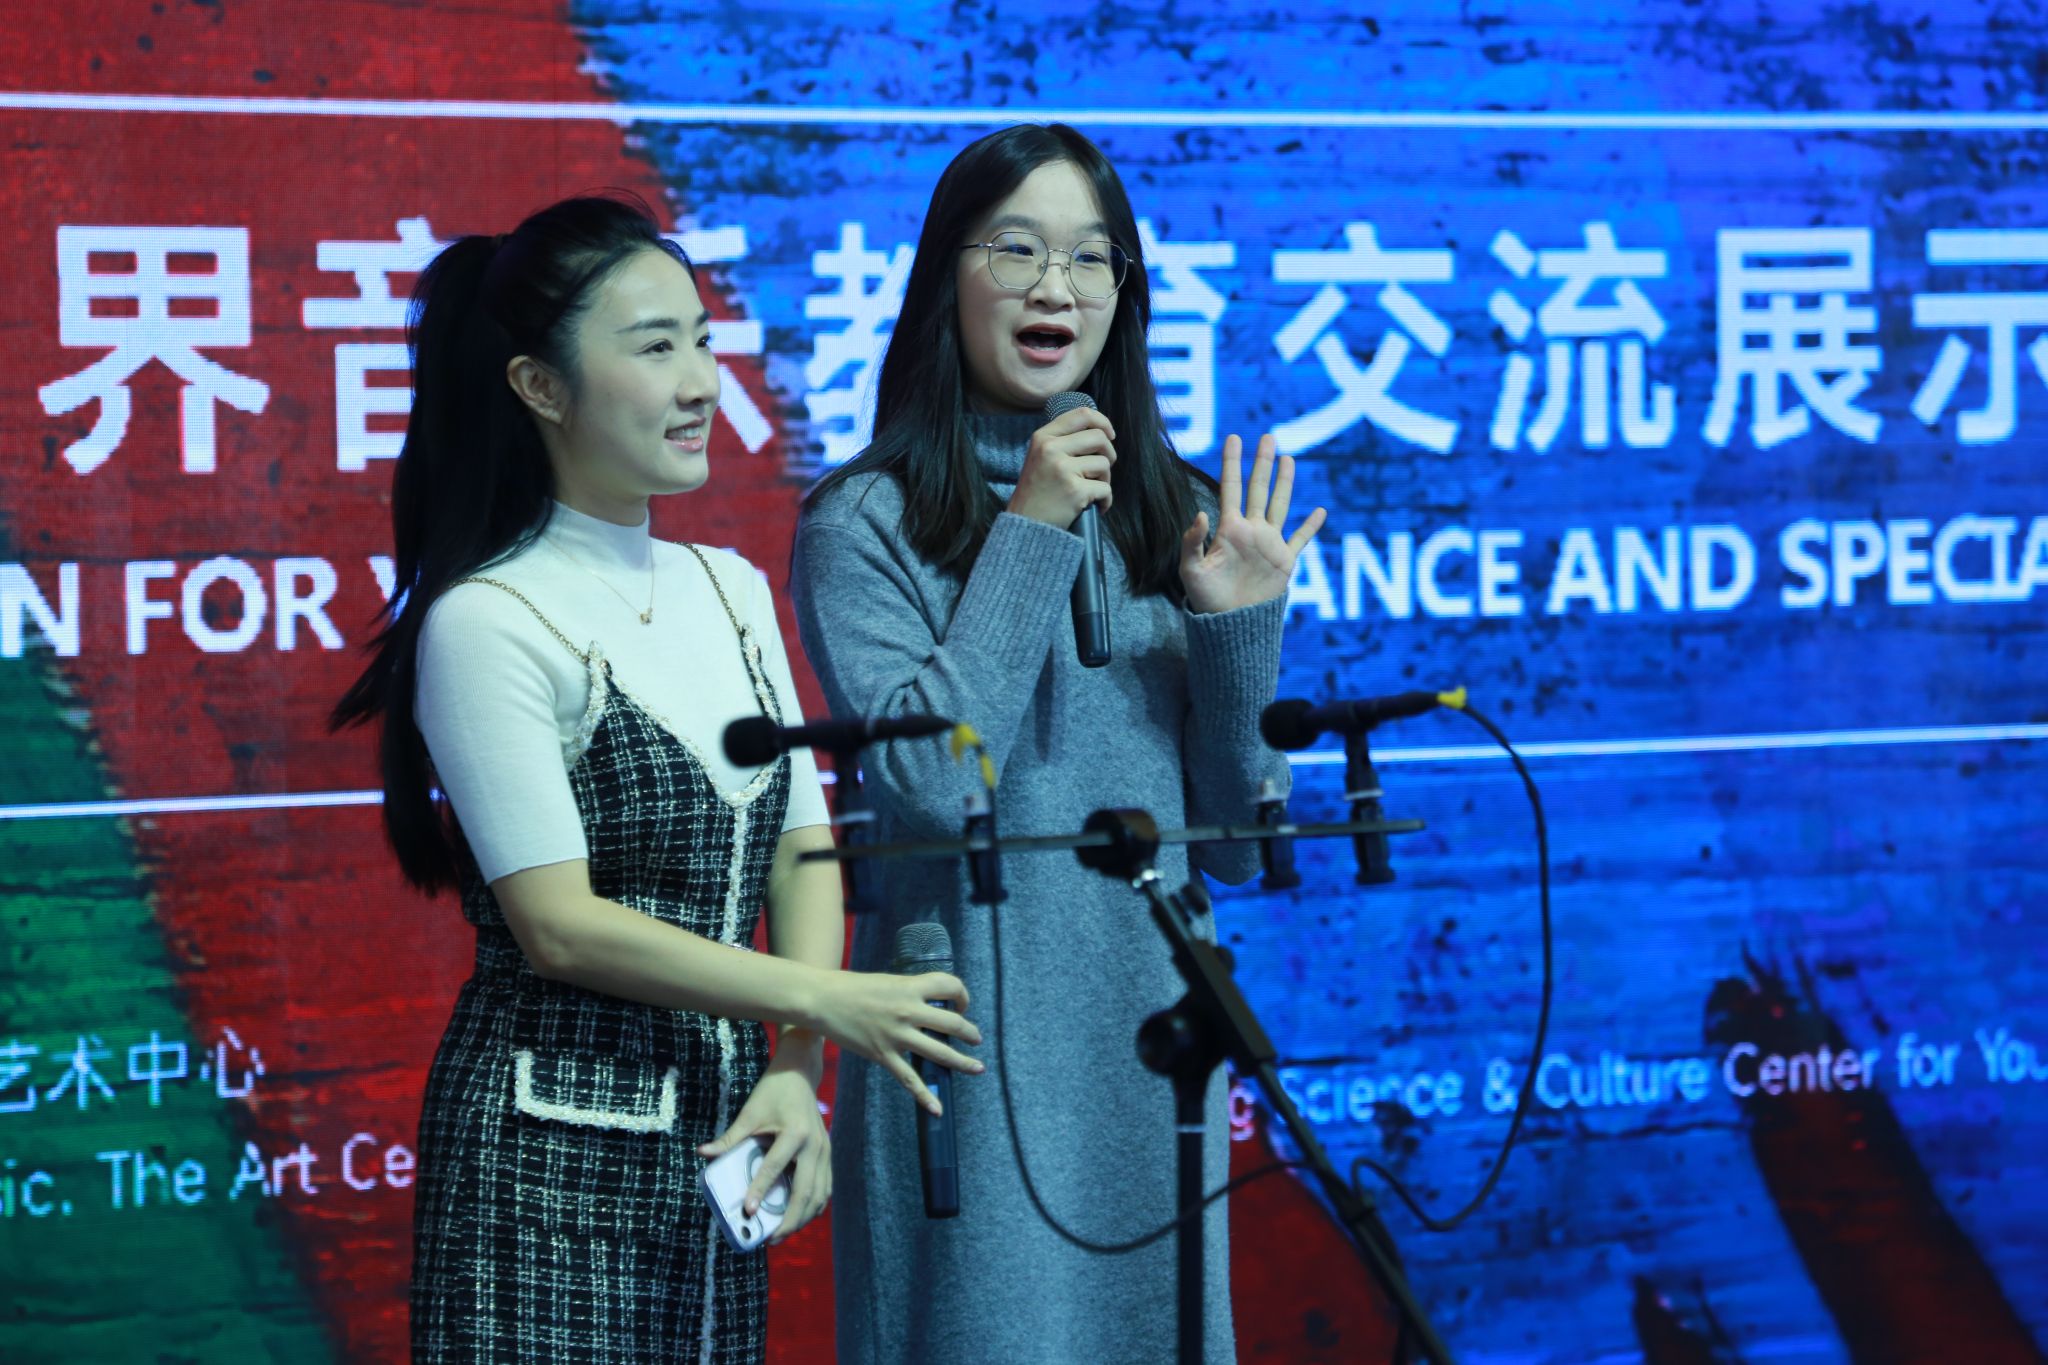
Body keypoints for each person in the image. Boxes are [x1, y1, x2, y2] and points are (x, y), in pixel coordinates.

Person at [331, 194, 982, 1365]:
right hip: (538, 1161)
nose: (699, 383)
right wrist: (826, 998)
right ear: (540, 387)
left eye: (702, 340)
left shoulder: (727, 586)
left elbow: (801, 846)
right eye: (653, 347)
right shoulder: (487, 618)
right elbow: (559, 928)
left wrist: (796, 1064)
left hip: (722, 1135)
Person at [791, 125, 1325, 1364]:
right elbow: (931, 782)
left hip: (1151, 1046)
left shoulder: (1182, 517)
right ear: (945, 276)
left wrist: (1237, 634)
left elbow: (1240, 848)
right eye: (1016, 250)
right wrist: (1028, 528)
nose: (1056, 289)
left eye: (1092, 259)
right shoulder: (862, 522)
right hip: (965, 1046)